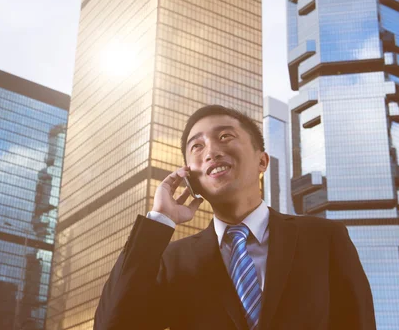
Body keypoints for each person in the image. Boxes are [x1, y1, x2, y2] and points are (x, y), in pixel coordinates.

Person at [94, 105, 375, 330]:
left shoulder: (324, 237)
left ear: (262, 161)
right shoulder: (174, 261)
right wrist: (160, 221)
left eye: (225, 136)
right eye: (197, 147)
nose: (211, 151)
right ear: (189, 176)